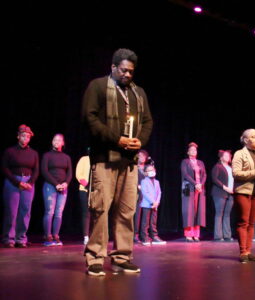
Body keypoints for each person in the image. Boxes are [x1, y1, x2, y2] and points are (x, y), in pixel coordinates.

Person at [82, 48, 153, 276]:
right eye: (123, 70)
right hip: (105, 159)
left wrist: (138, 142)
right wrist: (117, 140)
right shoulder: (98, 86)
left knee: (126, 210)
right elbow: (89, 118)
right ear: (113, 67)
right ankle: (95, 257)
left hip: (129, 161)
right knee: (100, 209)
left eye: (131, 71)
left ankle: (122, 256)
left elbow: (147, 121)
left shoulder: (138, 92)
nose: (128, 75)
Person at [232, 129, 255, 263]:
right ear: (245, 140)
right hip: (243, 191)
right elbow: (235, 173)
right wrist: (254, 173)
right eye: (252, 137)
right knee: (243, 222)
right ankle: (243, 252)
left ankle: (249, 250)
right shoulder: (239, 154)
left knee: (252, 224)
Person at [1, 124, 39, 248]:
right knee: (11, 212)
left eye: (28, 136)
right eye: (23, 136)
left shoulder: (33, 153)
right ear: (18, 136)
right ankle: (9, 238)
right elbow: (4, 168)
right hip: (13, 182)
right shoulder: (10, 151)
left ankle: (21, 238)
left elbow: (36, 170)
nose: (25, 138)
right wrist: (17, 183)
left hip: (28, 182)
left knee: (25, 212)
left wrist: (30, 183)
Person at [41, 133, 72, 247]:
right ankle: (47, 236)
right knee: (50, 212)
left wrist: (66, 183)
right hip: (50, 186)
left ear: (63, 143)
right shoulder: (47, 155)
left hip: (63, 187)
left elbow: (69, 173)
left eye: (59, 140)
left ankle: (56, 235)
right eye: (54, 140)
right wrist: (56, 184)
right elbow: (44, 171)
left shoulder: (66, 157)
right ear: (52, 142)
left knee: (59, 213)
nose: (56, 142)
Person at [180, 142, 207, 242]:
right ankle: (188, 234)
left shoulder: (200, 162)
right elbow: (185, 174)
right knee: (189, 211)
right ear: (188, 152)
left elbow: (204, 175)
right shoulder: (185, 162)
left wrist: (201, 184)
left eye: (195, 150)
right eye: (191, 150)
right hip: (188, 188)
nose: (193, 151)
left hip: (200, 188)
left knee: (198, 211)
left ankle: (196, 234)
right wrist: (195, 183)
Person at [211, 150, 234, 242]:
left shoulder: (231, 168)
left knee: (227, 215)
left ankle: (227, 235)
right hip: (219, 193)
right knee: (219, 214)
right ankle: (218, 236)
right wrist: (225, 187)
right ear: (221, 157)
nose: (228, 157)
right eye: (225, 155)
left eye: (228, 155)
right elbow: (214, 179)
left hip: (230, 193)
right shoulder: (217, 166)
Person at [139, 164, 166, 246]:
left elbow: (159, 193)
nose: (151, 171)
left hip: (155, 205)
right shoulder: (143, 181)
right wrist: (153, 202)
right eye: (149, 170)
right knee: (145, 222)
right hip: (147, 204)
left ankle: (154, 237)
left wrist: (157, 202)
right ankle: (144, 238)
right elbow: (145, 192)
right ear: (146, 173)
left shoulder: (157, 182)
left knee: (153, 222)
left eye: (152, 170)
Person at [75, 149, 91, 245]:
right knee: (86, 213)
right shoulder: (84, 159)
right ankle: (86, 236)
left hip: (96, 191)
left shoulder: (100, 162)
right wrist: (85, 183)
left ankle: (94, 235)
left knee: (96, 213)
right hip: (84, 189)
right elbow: (78, 173)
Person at [133, 149, 149, 244]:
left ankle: (144, 235)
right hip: (137, 194)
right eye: (139, 156)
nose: (141, 157)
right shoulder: (134, 167)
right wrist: (137, 185)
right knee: (137, 216)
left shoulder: (148, 168)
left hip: (146, 195)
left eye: (143, 156)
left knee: (145, 216)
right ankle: (135, 235)